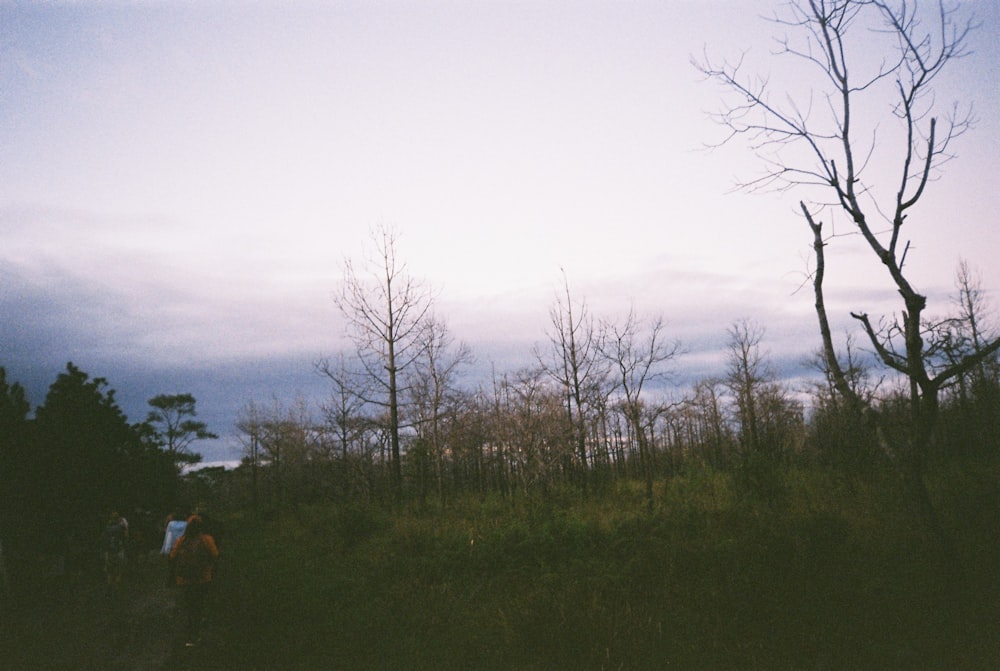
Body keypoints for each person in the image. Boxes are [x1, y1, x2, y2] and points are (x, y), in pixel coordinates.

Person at [169, 515, 219, 646]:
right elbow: (215, 555)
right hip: (203, 578)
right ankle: (195, 632)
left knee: (190, 605)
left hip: (184, 579)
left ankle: (191, 633)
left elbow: (172, 557)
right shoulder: (207, 539)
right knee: (199, 604)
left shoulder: (181, 541)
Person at [102, 511, 128, 596]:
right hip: (119, 551)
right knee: (119, 570)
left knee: (109, 571)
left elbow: (103, 539)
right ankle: (116, 587)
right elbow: (126, 537)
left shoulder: (107, 528)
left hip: (109, 552)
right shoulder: (120, 527)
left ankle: (109, 586)